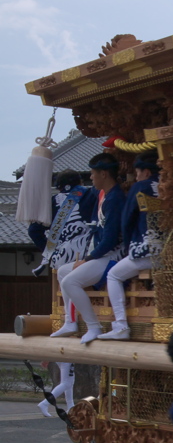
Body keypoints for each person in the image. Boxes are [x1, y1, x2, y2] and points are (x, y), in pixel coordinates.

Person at [28, 169, 96, 416]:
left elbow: (34, 231)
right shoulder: (88, 194)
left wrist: (48, 250)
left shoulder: (50, 203)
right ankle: (73, 319)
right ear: (79, 182)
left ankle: (66, 406)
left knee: (66, 285)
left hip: (58, 257)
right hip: (82, 254)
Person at [51, 153, 125, 345]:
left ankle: (94, 326)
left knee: (69, 282)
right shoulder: (102, 194)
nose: (90, 177)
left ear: (104, 174)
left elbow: (109, 239)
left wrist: (88, 258)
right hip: (101, 254)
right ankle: (70, 322)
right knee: (62, 271)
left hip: (112, 256)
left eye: (93, 173)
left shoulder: (115, 198)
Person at [99, 153, 163, 341]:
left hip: (147, 250)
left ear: (146, 171)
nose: (136, 176)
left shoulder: (140, 187)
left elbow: (127, 220)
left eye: (137, 172)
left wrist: (128, 247)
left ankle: (120, 325)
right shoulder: (170, 186)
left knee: (113, 275)